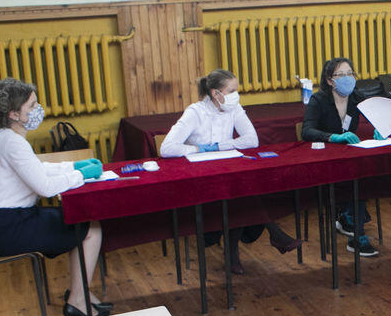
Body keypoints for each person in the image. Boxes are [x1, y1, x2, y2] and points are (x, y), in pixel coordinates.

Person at [0, 77, 110, 316]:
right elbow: (45, 187)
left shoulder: (2, 135)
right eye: (32, 106)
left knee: (79, 221)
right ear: (14, 114)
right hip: (6, 228)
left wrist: (73, 166)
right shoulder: (13, 143)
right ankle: (78, 300)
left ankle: (79, 294)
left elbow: (36, 168)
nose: (38, 109)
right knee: (90, 228)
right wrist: (81, 175)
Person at [158, 69, 301, 274]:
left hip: (226, 174)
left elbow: (251, 140)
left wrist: (219, 146)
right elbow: (167, 148)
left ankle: (239, 252)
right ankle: (271, 234)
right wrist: (199, 149)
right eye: (231, 90)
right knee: (239, 193)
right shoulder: (195, 112)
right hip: (201, 180)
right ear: (216, 94)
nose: (236, 95)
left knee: (239, 191)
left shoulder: (234, 108)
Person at [301, 57, 378, 257]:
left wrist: (381, 127)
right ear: (330, 80)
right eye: (341, 75)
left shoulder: (356, 97)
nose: (347, 78)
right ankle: (353, 226)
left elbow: (379, 111)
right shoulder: (319, 100)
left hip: (350, 156)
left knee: (363, 176)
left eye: (350, 74)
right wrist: (333, 137)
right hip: (326, 160)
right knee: (355, 181)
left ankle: (351, 222)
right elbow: (306, 131)